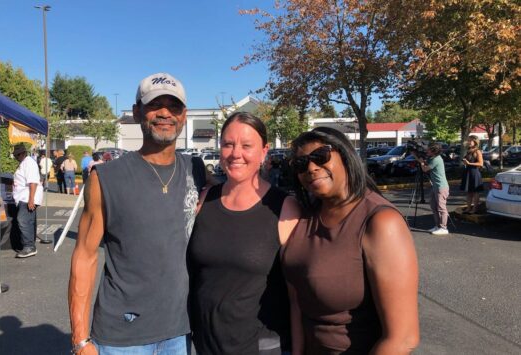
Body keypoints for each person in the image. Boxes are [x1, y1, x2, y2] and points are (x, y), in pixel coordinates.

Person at [68, 73, 206, 355]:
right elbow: (85, 255)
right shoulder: (106, 177)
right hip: (121, 339)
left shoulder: (197, 170)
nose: (165, 113)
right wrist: (80, 340)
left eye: (174, 106)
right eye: (155, 105)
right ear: (136, 112)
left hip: (181, 334)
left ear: (184, 115)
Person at [281, 127, 420, 354]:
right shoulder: (306, 215)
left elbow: (403, 338)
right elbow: (297, 300)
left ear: (345, 155)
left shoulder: (381, 222)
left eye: (320, 156)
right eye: (301, 164)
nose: (311, 167)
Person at [188, 112, 300, 355]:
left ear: (264, 151)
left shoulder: (283, 208)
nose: (236, 153)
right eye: (228, 144)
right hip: (205, 345)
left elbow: (297, 295)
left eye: (247, 146)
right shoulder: (205, 199)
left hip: (261, 346)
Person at [12, 143, 43, 258]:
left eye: (18, 154)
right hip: (23, 196)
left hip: (26, 197)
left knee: (23, 221)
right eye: (15, 155)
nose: (16, 157)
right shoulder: (24, 163)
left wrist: (31, 200)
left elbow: (33, 182)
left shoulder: (29, 163)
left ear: (24, 153)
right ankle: (30, 244)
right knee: (28, 221)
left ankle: (29, 246)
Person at [414, 143, 450, 235]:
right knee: (433, 206)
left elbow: (425, 169)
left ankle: (443, 228)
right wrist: (415, 155)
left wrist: (421, 162)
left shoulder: (436, 160)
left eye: (429, 149)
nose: (427, 151)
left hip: (441, 187)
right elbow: (423, 162)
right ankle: (438, 226)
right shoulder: (433, 158)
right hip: (436, 186)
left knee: (441, 207)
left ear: (433, 151)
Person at [460, 135, 484, 214]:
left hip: (474, 173)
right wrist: (465, 162)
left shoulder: (477, 151)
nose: (469, 142)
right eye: (468, 140)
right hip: (468, 172)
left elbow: (481, 163)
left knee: (475, 192)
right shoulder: (468, 150)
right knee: (469, 192)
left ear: (475, 142)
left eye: (470, 141)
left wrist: (469, 163)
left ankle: (475, 209)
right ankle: (468, 208)